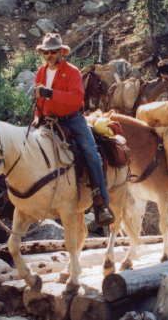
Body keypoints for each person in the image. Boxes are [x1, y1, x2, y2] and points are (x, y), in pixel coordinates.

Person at [32, 33, 114, 225]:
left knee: (91, 152)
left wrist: (51, 93)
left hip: (72, 119)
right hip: (47, 120)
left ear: (61, 52)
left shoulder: (72, 72)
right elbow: (38, 100)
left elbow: (76, 99)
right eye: (46, 52)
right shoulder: (41, 72)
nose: (49, 55)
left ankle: (101, 203)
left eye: (53, 52)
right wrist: (37, 117)